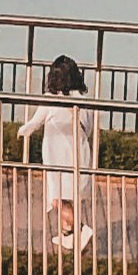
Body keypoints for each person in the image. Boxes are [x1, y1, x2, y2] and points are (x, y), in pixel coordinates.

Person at [27, 55, 98, 252]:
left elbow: (35, 122)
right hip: (79, 155)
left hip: (57, 158)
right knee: (69, 197)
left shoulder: (50, 100)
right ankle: (68, 234)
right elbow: (89, 129)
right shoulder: (83, 101)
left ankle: (81, 229)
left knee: (58, 199)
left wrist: (24, 131)